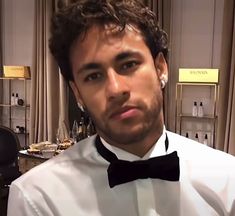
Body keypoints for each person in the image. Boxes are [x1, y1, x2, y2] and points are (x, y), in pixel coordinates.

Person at [7, 0, 235, 215]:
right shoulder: (37, 198)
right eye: (94, 76)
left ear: (160, 68)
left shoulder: (227, 179)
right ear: (77, 93)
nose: (115, 89)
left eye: (129, 64)